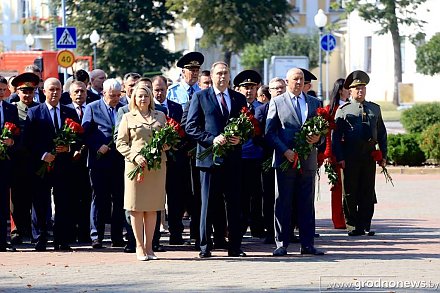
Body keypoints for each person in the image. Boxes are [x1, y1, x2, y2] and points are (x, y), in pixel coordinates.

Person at [185, 61, 247, 258]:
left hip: (233, 160)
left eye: (225, 73)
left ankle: (235, 246)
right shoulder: (201, 96)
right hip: (209, 160)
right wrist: (212, 139)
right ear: (211, 77)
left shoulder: (238, 98)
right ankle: (204, 246)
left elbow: (247, 126)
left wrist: (241, 138)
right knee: (207, 204)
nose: (222, 77)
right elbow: (191, 126)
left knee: (234, 203)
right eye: (219, 73)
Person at [266, 68, 324, 256]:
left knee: (306, 202)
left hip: (308, 161)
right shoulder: (277, 102)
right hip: (286, 161)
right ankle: (282, 243)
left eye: (302, 79)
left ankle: (307, 244)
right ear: (287, 81)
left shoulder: (314, 103)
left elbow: (323, 131)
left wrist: (318, 139)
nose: (299, 82)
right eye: (295, 79)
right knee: (283, 201)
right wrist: (285, 151)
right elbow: (270, 132)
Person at [24, 78, 80, 251]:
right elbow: (27, 142)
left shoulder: (69, 112)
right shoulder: (35, 112)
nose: (54, 92)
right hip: (42, 166)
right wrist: (42, 155)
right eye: (51, 89)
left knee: (63, 202)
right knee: (41, 202)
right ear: (44, 91)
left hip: (63, 166)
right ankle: (40, 238)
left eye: (57, 89)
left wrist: (68, 148)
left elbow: (78, 139)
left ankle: (61, 239)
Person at [116, 84, 168, 261]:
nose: (143, 99)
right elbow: (120, 143)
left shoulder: (160, 115)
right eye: (139, 96)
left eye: (146, 95)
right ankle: (139, 246)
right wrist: (134, 156)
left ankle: (149, 247)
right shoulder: (127, 117)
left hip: (156, 167)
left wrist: (166, 144)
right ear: (134, 99)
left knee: (153, 207)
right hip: (135, 166)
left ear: (150, 98)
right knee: (136, 208)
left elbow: (167, 140)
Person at [332, 70, 387, 237]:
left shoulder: (374, 109)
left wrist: (383, 155)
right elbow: (336, 137)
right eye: (357, 89)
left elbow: (382, 133)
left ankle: (365, 224)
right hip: (350, 156)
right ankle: (352, 225)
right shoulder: (343, 110)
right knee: (349, 192)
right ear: (350, 91)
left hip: (368, 156)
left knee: (367, 191)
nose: (360, 91)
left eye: (363, 88)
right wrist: (340, 157)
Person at [82, 78, 126, 249]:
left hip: (118, 160)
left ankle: (117, 236)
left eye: (117, 95)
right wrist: (96, 146)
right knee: (99, 199)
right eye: (111, 95)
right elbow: (84, 132)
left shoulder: (123, 109)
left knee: (119, 198)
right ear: (103, 93)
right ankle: (96, 236)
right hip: (99, 160)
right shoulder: (92, 108)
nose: (115, 98)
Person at [9, 73, 40, 245]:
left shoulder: (39, 108)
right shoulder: (12, 108)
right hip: (17, 160)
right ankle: (17, 230)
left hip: (35, 160)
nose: (27, 95)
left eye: (30, 91)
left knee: (33, 195)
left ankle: (30, 228)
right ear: (18, 91)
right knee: (16, 197)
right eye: (24, 91)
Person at [233, 70, 265, 238]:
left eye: (252, 87)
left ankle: (257, 226)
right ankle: (240, 224)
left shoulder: (262, 108)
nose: (249, 91)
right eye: (245, 87)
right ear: (239, 89)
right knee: (240, 193)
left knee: (257, 193)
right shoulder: (236, 107)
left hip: (257, 156)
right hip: (239, 155)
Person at [319, 78, 349, 229]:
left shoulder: (353, 106)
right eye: (347, 87)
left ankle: (352, 218)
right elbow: (328, 134)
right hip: (336, 152)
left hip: (352, 151)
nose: (350, 90)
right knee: (337, 188)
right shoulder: (330, 108)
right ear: (340, 90)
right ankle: (338, 220)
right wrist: (328, 154)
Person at [65, 81, 92, 243]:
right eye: (76, 92)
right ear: (70, 94)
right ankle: (70, 231)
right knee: (71, 197)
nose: (79, 94)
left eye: (82, 91)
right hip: (70, 161)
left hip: (89, 160)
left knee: (86, 197)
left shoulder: (92, 108)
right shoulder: (66, 110)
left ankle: (84, 232)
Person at [0, 75, 19, 252]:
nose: (1, 93)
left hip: (5, 163)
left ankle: (4, 239)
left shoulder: (10, 109)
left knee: (4, 202)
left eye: (3, 90)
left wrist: (11, 142)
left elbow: (18, 134)